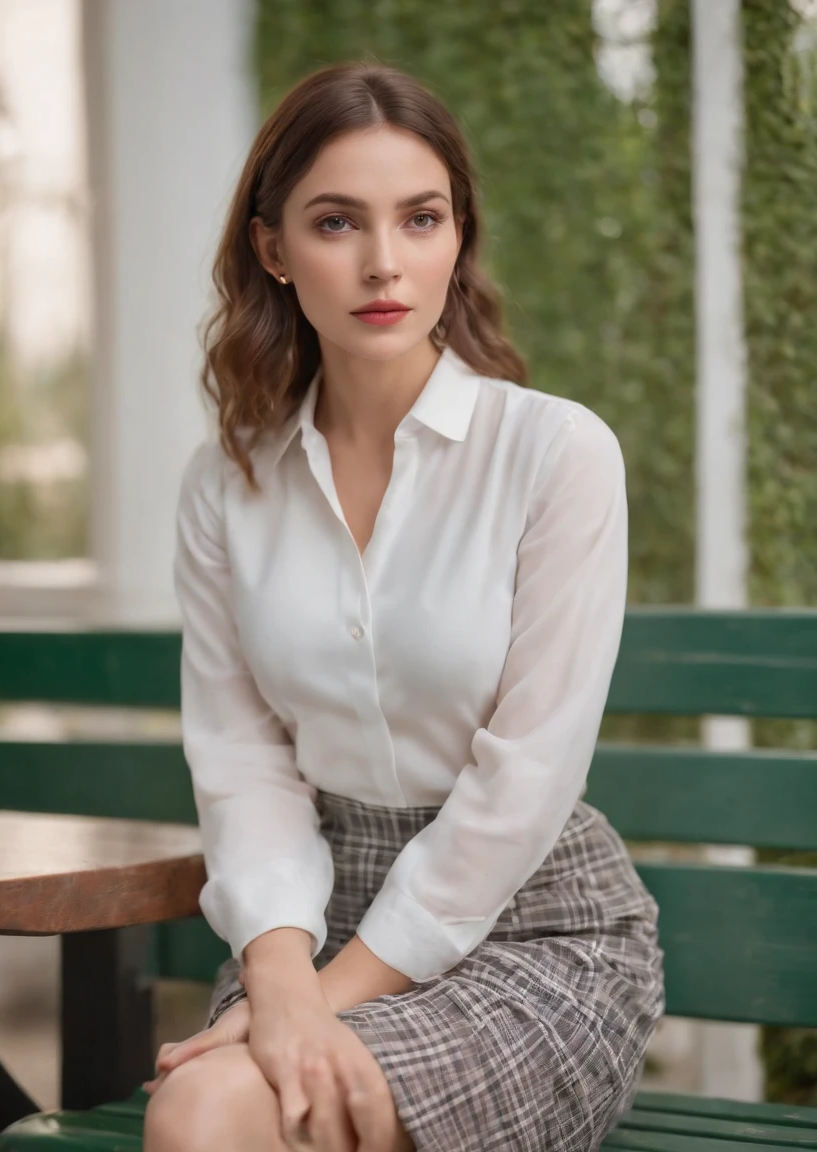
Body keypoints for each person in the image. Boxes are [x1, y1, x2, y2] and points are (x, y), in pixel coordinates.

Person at [142, 60, 664, 1152]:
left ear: (456, 238)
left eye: (419, 218)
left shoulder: (554, 453)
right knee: (202, 1107)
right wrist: (278, 979)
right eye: (337, 223)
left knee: (219, 1108)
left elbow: (524, 780)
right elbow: (242, 762)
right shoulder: (226, 484)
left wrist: (306, 1008)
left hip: (533, 932)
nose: (384, 263)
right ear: (272, 249)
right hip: (309, 913)